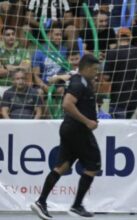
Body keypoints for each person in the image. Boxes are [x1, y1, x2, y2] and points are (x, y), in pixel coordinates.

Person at [30, 54, 101, 219]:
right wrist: (88, 122)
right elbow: (67, 104)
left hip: (70, 129)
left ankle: (41, 202)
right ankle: (76, 205)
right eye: (95, 69)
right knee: (93, 164)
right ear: (88, 68)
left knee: (61, 167)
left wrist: (59, 77)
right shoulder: (78, 83)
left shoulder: (79, 79)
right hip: (78, 130)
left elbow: (68, 76)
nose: (97, 73)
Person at [104, 27, 137, 119]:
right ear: (130, 37)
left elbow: (106, 77)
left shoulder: (112, 53)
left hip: (118, 97)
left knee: (118, 127)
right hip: (134, 97)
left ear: (117, 37)